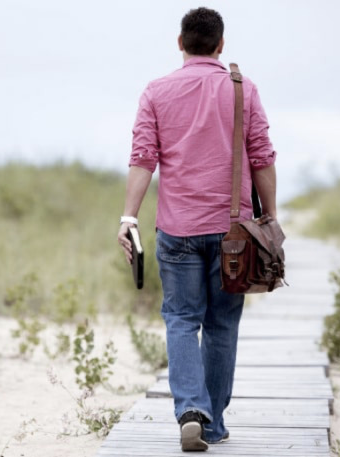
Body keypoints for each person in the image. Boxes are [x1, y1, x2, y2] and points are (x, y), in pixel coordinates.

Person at [116, 7, 278, 452]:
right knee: (222, 324)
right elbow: (263, 156)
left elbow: (143, 157)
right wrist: (271, 219)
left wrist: (128, 218)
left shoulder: (157, 91)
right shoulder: (244, 90)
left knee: (182, 320)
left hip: (178, 229)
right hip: (234, 231)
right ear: (221, 45)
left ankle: (191, 408)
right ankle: (213, 424)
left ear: (180, 43)